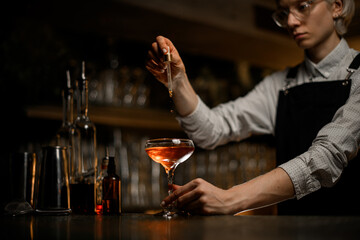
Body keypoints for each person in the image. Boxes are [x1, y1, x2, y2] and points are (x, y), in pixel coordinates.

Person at [146, 0, 360, 215]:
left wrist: (230, 199)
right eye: (284, 13)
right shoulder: (280, 83)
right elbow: (211, 131)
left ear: (337, 6)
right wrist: (179, 81)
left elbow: (327, 155)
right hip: (291, 230)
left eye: (303, 6)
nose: (291, 21)